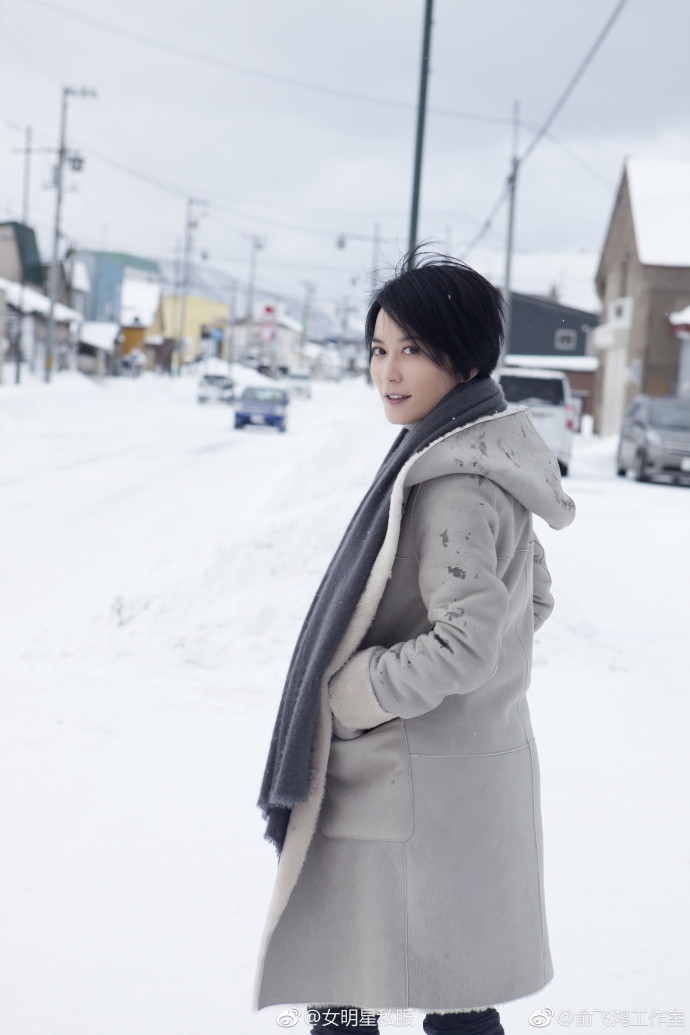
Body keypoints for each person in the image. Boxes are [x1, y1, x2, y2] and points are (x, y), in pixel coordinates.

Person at [255, 254, 576, 1035]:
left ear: (464, 357)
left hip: (398, 780)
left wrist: (355, 689)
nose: (388, 371)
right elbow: (528, 599)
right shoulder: (488, 454)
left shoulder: (453, 479)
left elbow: (466, 640)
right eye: (377, 348)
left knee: (343, 984)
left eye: (413, 349)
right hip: (457, 780)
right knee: (455, 991)